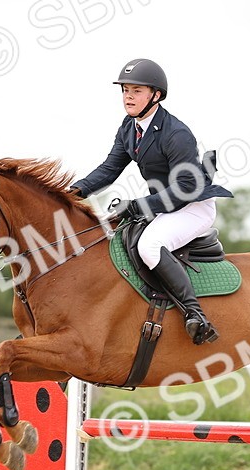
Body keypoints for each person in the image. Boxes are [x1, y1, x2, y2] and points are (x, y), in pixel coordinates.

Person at [69, 58, 233, 344]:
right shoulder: (129, 128)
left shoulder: (177, 134)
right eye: (125, 91)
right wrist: (74, 192)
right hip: (163, 204)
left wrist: (137, 206)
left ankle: (196, 315)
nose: (128, 97)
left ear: (155, 95)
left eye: (136, 91)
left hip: (193, 207)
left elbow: (185, 188)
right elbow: (110, 169)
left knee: (149, 245)